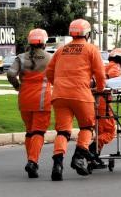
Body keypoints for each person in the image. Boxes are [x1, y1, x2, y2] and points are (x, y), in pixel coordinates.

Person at [45, 18, 106, 180]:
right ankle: (78, 157)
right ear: (87, 34)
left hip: (59, 95)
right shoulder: (91, 49)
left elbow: (49, 72)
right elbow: (100, 74)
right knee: (87, 127)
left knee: (63, 131)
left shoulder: (61, 50)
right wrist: (100, 89)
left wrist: (59, 84)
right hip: (81, 95)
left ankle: (57, 164)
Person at [6, 28, 53, 179]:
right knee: (38, 132)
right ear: (44, 43)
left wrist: (17, 86)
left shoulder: (21, 57)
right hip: (42, 100)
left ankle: (30, 160)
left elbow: (10, 73)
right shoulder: (50, 58)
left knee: (29, 132)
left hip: (25, 99)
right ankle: (33, 161)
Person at [94, 47, 121, 158]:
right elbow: (111, 77)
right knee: (109, 132)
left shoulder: (105, 66)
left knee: (100, 132)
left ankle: (94, 156)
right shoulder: (116, 66)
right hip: (103, 101)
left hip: (94, 100)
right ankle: (90, 150)